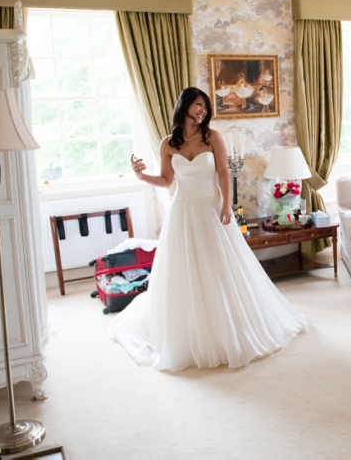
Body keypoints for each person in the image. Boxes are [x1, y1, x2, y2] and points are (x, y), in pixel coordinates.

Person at [108, 88, 307, 371]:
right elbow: (166, 180)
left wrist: (227, 205)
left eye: (205, 106)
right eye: (197, 105)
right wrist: (141, 176)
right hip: (183, 211)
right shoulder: (168, 143)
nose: (202, 110)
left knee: (221, 267)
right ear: (185, 106)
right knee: (184, 269)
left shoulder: (212, 137)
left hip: (212, 207)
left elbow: (224, 172)